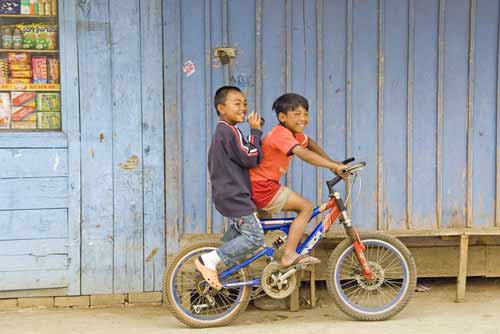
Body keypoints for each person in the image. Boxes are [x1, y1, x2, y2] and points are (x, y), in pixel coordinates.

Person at [250, 93, 348, 267]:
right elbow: (303, 153)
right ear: (282, 117)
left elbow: (309, 142)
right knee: (306, 207)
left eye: (306, 114)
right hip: (262, 186)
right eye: (297, 114)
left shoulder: (293, 134)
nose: (303, 118)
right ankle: (289, 255)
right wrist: (331, 165)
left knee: (260, 228)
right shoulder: (280, 134)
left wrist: (333, 164)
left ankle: (253, 253)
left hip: (261, 184)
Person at [195, 86, 264, 290]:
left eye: (245, 103)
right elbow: (250, 157)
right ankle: (209, 260)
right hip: (234, 195)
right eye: (237, 103)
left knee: (243, 233)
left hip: (228, 193)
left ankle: (227, 268)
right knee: (255, 237)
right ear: (221, 108)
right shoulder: (229, 130)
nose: (243, 107)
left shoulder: (224, 131)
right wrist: (256, 132)